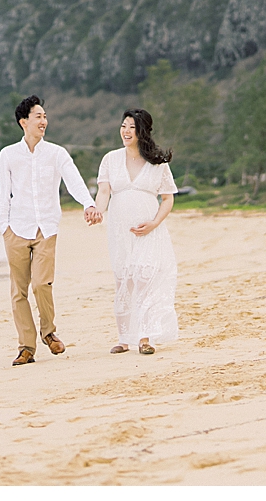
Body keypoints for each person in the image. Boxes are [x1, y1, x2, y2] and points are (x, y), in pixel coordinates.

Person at [0, 94, 102, 366]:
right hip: (16, 229)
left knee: (41, 283)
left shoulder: (57, 153)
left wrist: (89, 204)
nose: (44, 121)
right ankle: (26, 347)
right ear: (24, 122)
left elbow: (74, 182)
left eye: (44, 116)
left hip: (47, 228)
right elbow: (3, 194)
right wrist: (4, 228)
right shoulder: (8, 154)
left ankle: (49, 332)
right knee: (18, 291)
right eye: (38, 117)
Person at [93, 108, 179, 355]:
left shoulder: (157, 164)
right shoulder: (110, 159)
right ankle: (124, 339)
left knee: (144, 279)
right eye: (123, 126)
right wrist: (97, 211)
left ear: (142, 131)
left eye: (131, 127)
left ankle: (144, 338)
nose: (126, 131)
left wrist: (154, 223)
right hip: (120, 230)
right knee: (123, 280)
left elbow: (168, 199)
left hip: (149, 230)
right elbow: (104, 192)